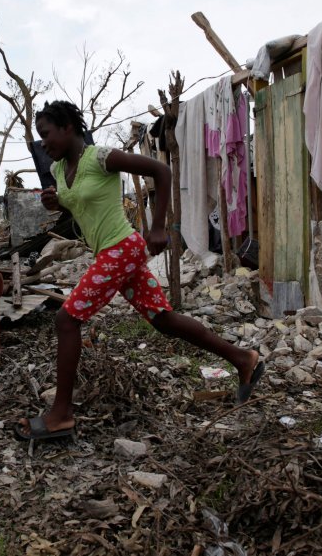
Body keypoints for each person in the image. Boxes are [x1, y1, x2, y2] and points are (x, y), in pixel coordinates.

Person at [15, 101, 264, 441]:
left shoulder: (101, 157)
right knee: (163, 319)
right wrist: (55, 202)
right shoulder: (59, 171)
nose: (43, 144)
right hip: (110, 252)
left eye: (46, 135)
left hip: (123, 248)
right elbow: (76, 205)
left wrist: (158, 226)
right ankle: (243, 360)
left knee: (66, 320)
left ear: (67, 127)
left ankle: (61, 415)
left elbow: (162, 172)